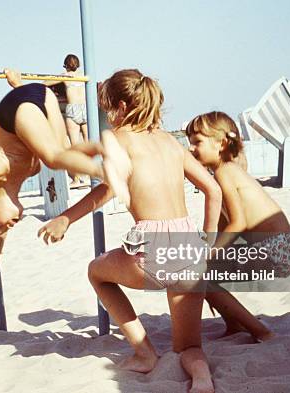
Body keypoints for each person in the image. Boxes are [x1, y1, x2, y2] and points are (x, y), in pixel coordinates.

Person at [38, 69, 222, 393]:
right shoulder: (171, 142)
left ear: (121, 108)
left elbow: (105, 191)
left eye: (108, 109)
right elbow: (213, 190)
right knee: (189, 348)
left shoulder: (121, 139)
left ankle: (145, 352)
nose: (108, 117)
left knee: (97, 272)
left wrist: (66, 218)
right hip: (189, 247)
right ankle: (202, 378)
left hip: (152, 249)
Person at [0, 66, 130, 291]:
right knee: (64, 152)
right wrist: (18, 85)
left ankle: (106, 171)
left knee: (53, 159)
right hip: (41, 98)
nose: (6, 228)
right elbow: (34, 131)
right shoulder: (29, 171)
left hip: (14, 109)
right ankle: (103, 146)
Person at [186, 111, 290, 341]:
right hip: (281, 247)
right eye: (189, 143)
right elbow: (222, 226)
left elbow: (238, 223)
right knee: (200, 271)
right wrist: (206, 247)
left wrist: (209, 254)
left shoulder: (226, 173)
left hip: (275, 250)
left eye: (197, 142)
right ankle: (234, 325)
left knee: (199, 277)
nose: (191, 148)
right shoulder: (224, 173)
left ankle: (261, 331)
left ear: (222, 143)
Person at [44, 54, 89, 188]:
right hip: (85, 108)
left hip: (73, 108)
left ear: (65, 65)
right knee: (88, 143)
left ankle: (77, 178)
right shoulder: (84, 75)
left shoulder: (64, 76)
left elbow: (44, 83)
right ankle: (91, 175)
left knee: (74, 147)